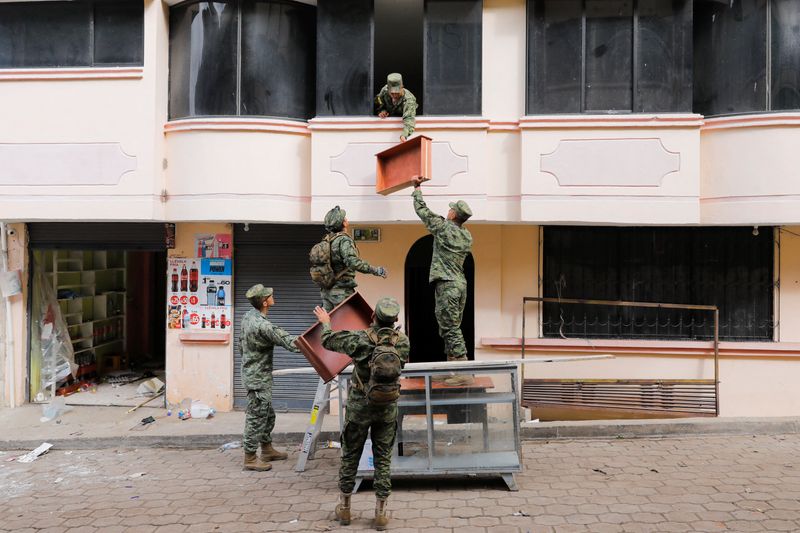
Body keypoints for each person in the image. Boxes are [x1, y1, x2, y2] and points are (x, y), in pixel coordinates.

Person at [314, 297, 410, 531]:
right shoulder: (403, 341)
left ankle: (345, 509)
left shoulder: (360, 339)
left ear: (373, 316)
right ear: (395, 319)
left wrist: (326, 322)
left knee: (351, 455)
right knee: (383, 458)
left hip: (359, 406)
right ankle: (380, 513)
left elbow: (327, 341)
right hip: (387, 407)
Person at [411, 177, 473, 384]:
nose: (449, 211)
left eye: (451, 209)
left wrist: (416, 187)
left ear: (453, 214)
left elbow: (422, 210)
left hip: (447, 284)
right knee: (451, 325)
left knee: (450, 328)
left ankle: (463, 373)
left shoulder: (444, 228)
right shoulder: (466, 236)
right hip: (460, 284)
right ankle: (451, 369)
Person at [239, 284, 300, 471]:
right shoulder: (262, 325)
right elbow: (292, 344)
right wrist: (322, 334)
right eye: (269, 295)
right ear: (265, 302)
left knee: (267, 415)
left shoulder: (249, 315)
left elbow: (241, 345)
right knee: (256, 417)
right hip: (257, 378)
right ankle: (250, 458)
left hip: (253, 373)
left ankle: (266, 449)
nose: (273, 295)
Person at [318, 206, 387, 312]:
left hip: (326, 291)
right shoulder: (344, 240)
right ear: (343, 223)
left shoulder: (326, 241)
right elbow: (353, 262)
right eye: (344, 218)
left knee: (327, 324)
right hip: (341, 292)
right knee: (346, 325)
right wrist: (376, 270)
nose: (346, 219)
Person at [374, 73, 418, 142]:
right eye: (392, 93)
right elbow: (378, 101)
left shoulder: (409, 99)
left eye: (397, 92)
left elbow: (409, 118)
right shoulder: (384, 91)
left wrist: (404, 135)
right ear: (388, 89)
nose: (394, 95)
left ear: (402, 87)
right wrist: (382, 110)